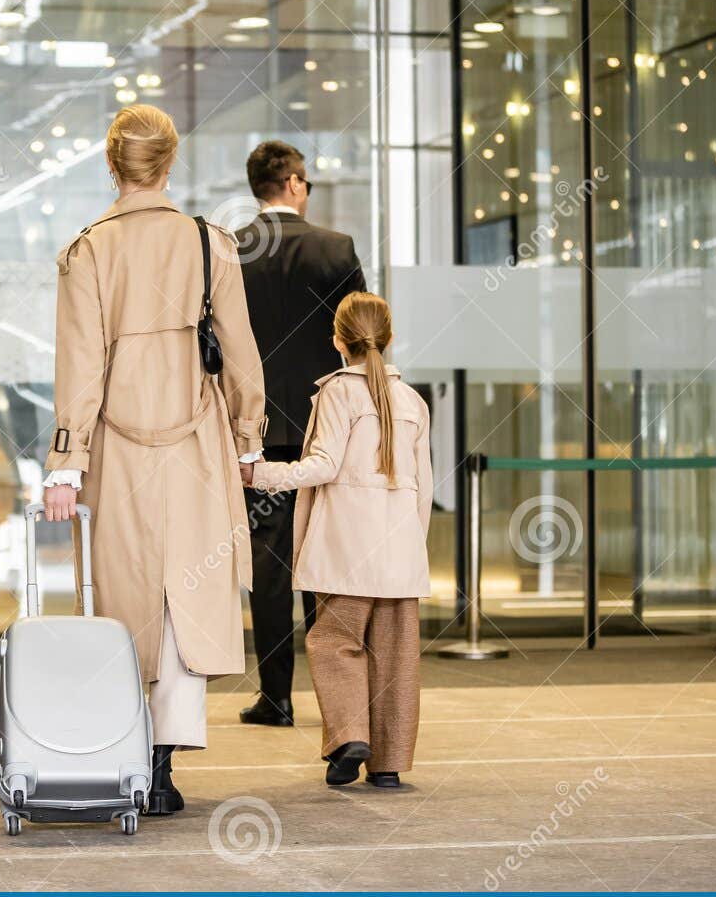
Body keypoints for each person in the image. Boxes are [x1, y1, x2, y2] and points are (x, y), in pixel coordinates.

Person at [43, 104, 266, 816]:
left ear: (113, 166)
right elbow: (240, 353)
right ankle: (165, 763)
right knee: (185, 599)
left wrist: (64, 460)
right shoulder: (212, 244)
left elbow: (81, 363)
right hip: (198, 443)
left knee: (124, 594)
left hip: (116, 444)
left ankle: (126, 750)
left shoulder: (87, 251)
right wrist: (249, 436)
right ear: (169, 164)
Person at [242, 292, 429, 789]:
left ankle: (349, 738)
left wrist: (258, 474)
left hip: (348, 546)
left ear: (337, 339)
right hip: (401, 550)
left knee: (332, 641)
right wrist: (414, 548)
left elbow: (323, 466)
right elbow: (425, 489)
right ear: (387, 338)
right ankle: (387, 764)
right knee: (395, 655)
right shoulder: (412, 401)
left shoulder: (337, 394)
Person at [234, 140, 367, 728]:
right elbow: (363, 334)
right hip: (324, 429)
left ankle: (276, 697)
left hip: (256, 433)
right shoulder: (336, 249)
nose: (307, 190)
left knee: (269, 565)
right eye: (306, 181)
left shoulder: (231, 251)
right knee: (324, 558)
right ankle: (335, 698)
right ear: (292, 183)